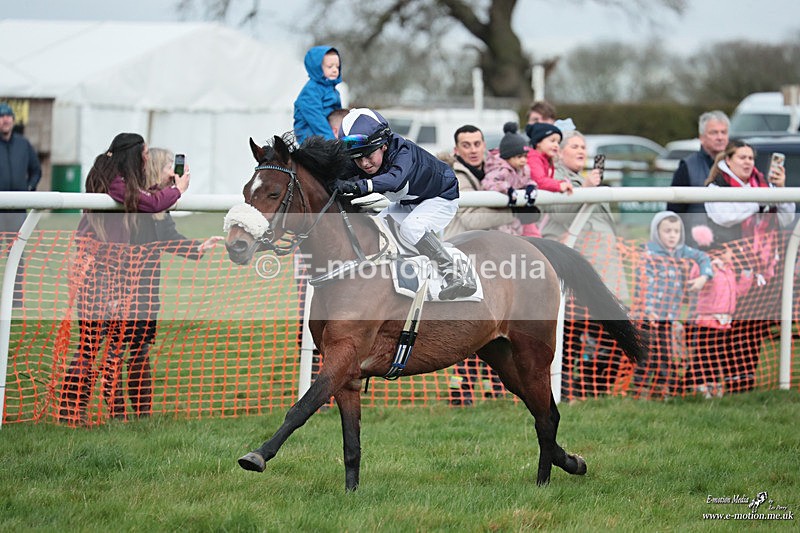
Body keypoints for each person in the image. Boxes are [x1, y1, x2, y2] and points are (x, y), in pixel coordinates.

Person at [58, 134, 219, 424]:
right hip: (103, 274)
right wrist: (178, 190)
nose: (146, 158)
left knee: (121, 349)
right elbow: (146, 202)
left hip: (121, 279)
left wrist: (195, 246)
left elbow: (156, 216)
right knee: (94, 347)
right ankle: (73, 412)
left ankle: (119, 414)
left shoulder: (121, 183)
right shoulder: (118, 184)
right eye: (144, 153)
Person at [334, 108, 476, 301]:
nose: (364, 163)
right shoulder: (368, 155)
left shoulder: (404, 151)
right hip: (410, 201)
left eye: (368, 155)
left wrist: (358, 186)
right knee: (377, 226)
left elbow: (394, 180)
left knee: (411, 228)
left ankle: (456, 274)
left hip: (441, 197)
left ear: (384, 145)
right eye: (357, 159)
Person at [539, 130, 628, 399]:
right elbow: (559, 214)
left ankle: (592, 389)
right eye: (575, 146)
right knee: (570, 335)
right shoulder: (556, 179)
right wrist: (587, 187)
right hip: (575, 273)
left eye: (584, 147)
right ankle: (565, 389)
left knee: (607, 335)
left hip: (605, 271)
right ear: (561, 152)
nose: (581, 151)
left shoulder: (589, 179)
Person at [702, 140, 794, 392]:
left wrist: (780, 190)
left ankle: (743, 384)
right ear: (727, 160)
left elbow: (784, 218)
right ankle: (714, 382)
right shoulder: (715, 186)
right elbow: (724, 216)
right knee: (721, 331)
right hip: (728, 272)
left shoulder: (764, 186)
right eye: (742, 157)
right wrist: (760, 199)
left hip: (763, 272)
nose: (747, 162)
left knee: (753, 330)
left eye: (751, 158)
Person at [632, 211, 714, 400]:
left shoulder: (681, 251)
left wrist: (703, 277)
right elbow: (647, 283)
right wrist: (649, 309)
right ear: (657, 232)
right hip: (649, 316)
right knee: (646, 353)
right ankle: (641, 388)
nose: (672, 235)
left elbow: (703, 257)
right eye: (667, 231)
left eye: (676, 231)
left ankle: (663, 387)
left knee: (665, 353)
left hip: (668, 317)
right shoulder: (649, 254)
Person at [686, 227, 753, 398]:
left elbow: (738, 291)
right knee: (704, 355)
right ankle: (700, 384)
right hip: (707, 321)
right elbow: (695, 276)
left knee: (717, 355)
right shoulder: (708, 266)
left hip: (724, 321)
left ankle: (714, 384)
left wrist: (747, 275)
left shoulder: (729, 270)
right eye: (730, 250)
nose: (732, 254)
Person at [442, 124, 518, 240]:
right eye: (466, 145)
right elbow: (472, 220)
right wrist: (514, 212)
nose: (473, 150)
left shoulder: (496, 169)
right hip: (460, 248)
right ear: (456, 150)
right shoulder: (453, 177)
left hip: (486, 245)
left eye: (477, 144)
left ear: (484, 146)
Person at [666, 110, 730, 247]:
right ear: (701, 137)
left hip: (731, 249)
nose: (720, 137)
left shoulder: (738, 166)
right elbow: (674, 211)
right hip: (695, 248)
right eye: (714, 132)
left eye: (723, 132)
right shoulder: (687, 167)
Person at [0, 102, 42, 305]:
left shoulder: (23, 145)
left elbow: (36, 170)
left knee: (16, 254)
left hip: (18, 210)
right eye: (1, 116)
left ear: (13, 120)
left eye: (8, 116)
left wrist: (30, 188)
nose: (5, 119)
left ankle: (15, 300)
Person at [293, 46, 342, 144]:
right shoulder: (311, 90)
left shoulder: (332, 89)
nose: (335, 70)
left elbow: (338, 112)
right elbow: (315, 118)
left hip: (328, 131)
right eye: (330, 66)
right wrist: (331, 140)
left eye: (337, 66)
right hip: (310, 134)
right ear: (317, 68)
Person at [525, 122, 573, 195]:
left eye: (558, 142)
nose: (556, 145)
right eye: (552, 141)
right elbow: (539, 181)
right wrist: (559, 185)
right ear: (538, 142)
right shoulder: (533, 158)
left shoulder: (545, 160)